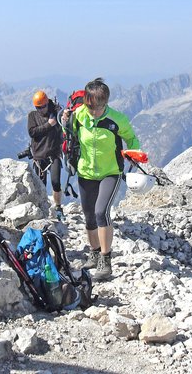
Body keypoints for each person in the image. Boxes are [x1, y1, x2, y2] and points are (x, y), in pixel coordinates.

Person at [61, 78, 140, 281]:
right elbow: (69, 134)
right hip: (86, 172)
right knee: (88, 216)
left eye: (97, 107)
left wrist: (134, 153)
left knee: (100, 212)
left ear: (105, 103)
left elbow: (131, 138)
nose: (93, 111)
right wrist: (64, 122)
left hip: (110, 172)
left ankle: (106, 261)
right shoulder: (79, 115)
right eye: (89, 106)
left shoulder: (117, 119)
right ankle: (94, 252)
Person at [27, 90, 64, 219]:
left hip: (53, 154)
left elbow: (63, 124)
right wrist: (49, 125)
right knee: (41, 185)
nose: (41, 109)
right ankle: (42, 210)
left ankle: (58, 207)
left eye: (43, 106)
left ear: (48, 103)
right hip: (39, 156)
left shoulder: (56, 113)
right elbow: (32, 132)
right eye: (38, 107)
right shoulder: (33, 116)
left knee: (56, 182)